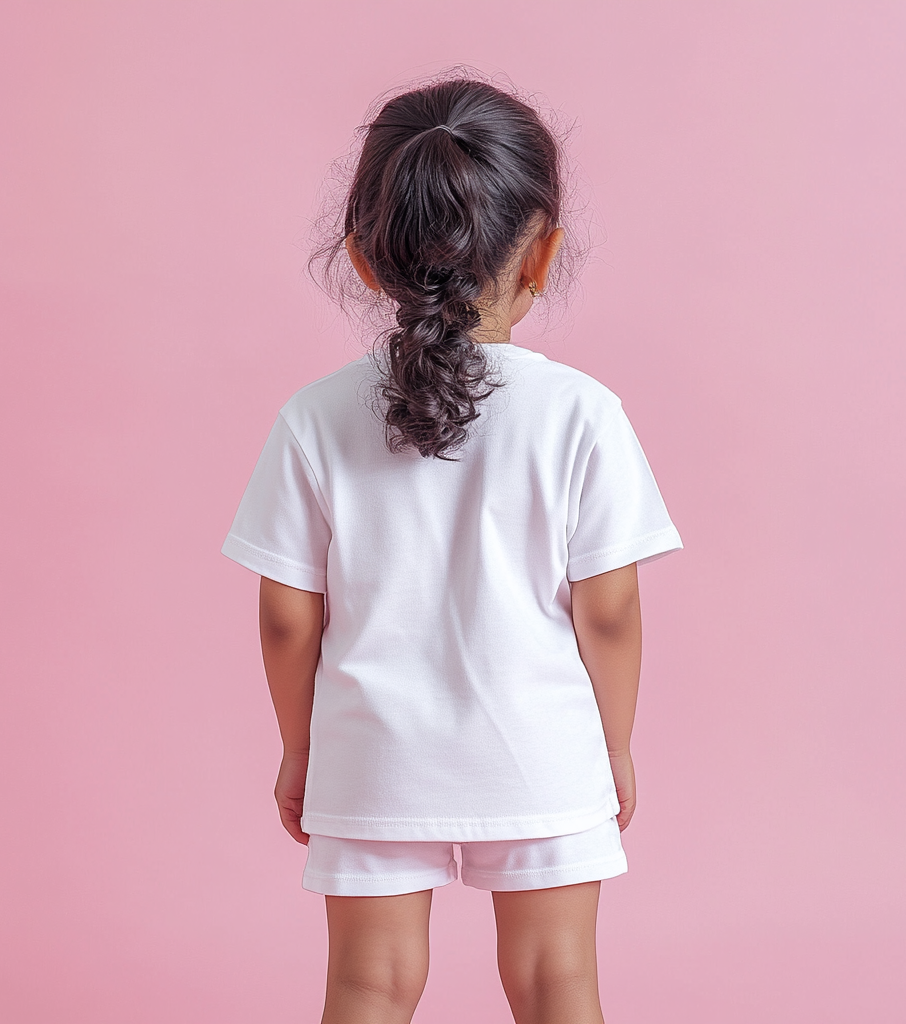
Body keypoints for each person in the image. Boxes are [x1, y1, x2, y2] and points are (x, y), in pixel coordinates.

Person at [221, 71, 683, 1024]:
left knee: (368, 987)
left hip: (372, 754)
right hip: (542, 751)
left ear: (361, 254)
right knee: (559, 984)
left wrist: (300, 748)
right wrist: (617, 744)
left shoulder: (314, 418)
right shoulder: (583, 416)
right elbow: (609, 608)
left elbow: (284, 617)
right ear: (544, 251)